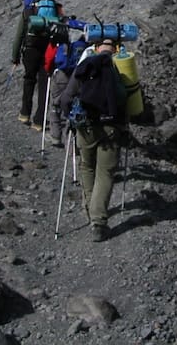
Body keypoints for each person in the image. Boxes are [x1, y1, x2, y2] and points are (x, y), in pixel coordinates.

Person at [58, 38, 128, 241]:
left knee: (87, 166)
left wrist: (70, 119)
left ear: (96, 49)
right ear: (115, 50)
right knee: (105, 173)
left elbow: (65, 99)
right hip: (111, 127)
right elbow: (126, 99)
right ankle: (98, 222)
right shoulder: (119, 68)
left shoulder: (84, 67)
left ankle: (90, 210)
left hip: (85, 126)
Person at [11, 0, 64, 132]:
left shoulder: (28, 11)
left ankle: (25, 113)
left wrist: (15, 56)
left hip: (30, 49)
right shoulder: (54, 8)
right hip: (48, 50)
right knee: (44, 83)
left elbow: (19, 36)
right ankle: (39, 121)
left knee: (29, 79)